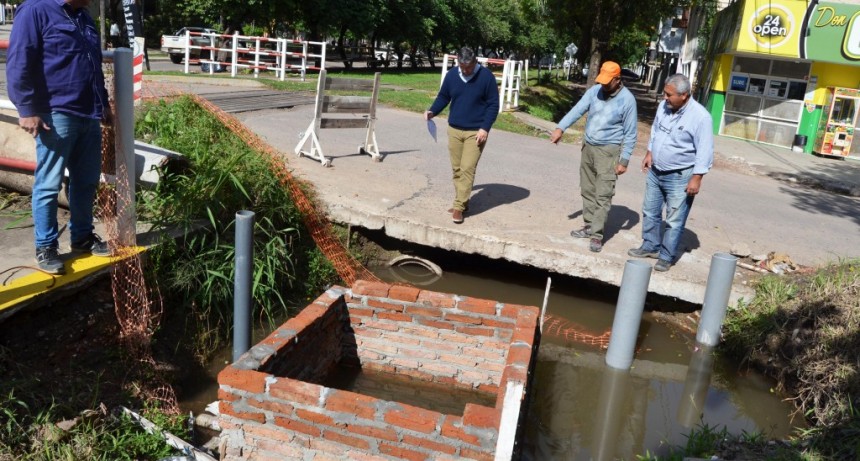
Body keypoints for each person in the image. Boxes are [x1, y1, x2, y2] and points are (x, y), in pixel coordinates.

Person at [6, 0, 113, 275]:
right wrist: (27, 109)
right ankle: (46, 246)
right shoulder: (35, 10)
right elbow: (19, 60)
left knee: (87, 181)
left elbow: (93, 65)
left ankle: (82, 237)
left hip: (89, 114)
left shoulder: (85, 17)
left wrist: (104, 104)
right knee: (48, 183)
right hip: (57, 114)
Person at [628, 73, 714, 272]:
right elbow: (656, 131)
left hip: (680, 176)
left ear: (683, 95)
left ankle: (666, 256)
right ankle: (650, 245)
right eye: (665, 94)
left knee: (674, 219)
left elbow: (705, 150)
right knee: (650, 210)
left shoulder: (701, 117)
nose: (664, 98)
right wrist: (650, 152)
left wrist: (697, 177)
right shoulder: (664, 107)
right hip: (656, 170)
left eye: (669, 95)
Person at [550, 61, 637, 253]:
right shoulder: (595, 91)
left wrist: (624, 160)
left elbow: (631, 133)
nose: (604, 85)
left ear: (617, 79)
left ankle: (597, 235)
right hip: (588, 147)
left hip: (609, 151)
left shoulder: (627, 100)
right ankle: (589, 225)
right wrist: (560, 127)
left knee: (603, 194)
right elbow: (578, 110)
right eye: (602, 81)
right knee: (587, 189)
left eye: (608, 82)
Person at [424, 47, 499, 224]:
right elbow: (444, 96)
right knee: (457, 169)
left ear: (475, 62)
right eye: (463, 67)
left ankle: (458, 206)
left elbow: (493, 105)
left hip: (476, 132)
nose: (466, 71)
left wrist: (485, 128)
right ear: (458, 62)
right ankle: (463, 202)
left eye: (469, 67)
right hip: (455, 129)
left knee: (467, 168)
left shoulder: (486, 77)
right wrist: (432, 111)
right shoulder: (452, 75)